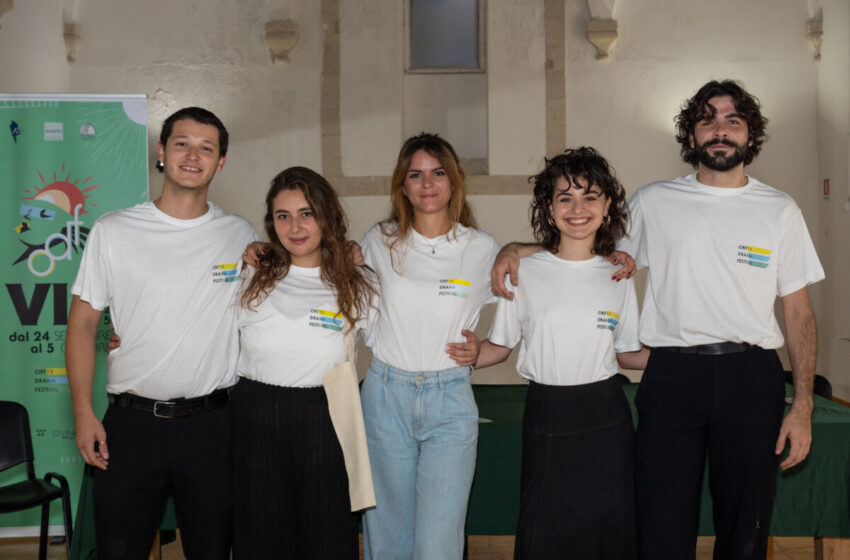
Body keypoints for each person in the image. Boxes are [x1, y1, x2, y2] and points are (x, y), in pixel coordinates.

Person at [492, 80, 824, 560]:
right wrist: (516, 249)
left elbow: (799, 312)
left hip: (751, 377)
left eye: (733, 120)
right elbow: (585, 245)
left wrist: (803, 405)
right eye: (707, 120)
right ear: (690, 136)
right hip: (672, 375)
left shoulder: (780, 210)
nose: (720, 130)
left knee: (746, 528)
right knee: (660, 527)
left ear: (750, 135)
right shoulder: (653, 201)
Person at [66, 107, 257, 559]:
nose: (193, 156)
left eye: (206, 148)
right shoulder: (113, 230)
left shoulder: (239, 234)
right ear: (161, 151)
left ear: (221, 162)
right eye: (182, 144)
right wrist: (83, 413)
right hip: (131, 426)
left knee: (212, 551)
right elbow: (83, 325)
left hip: (212, 426)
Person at [474, 147, 648, 559]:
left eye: (590, 197)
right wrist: (451, 355)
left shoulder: (619, 273)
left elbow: (629, 354)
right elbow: (499, 347)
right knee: (547, 527)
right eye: (565, 198)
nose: (578, 209)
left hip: (607, 416)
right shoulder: (522, 271)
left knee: (609, 529)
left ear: (607, 206)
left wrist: (686, 354)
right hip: (548, 412)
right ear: (549, 210)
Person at [358, 133, 500, 560]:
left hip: (449, 399)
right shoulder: (379, 241)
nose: (427, 184)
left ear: (454, 181)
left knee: (439, 542)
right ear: (402, 186)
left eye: (438, 173)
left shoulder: (482, 248)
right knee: (388, 536)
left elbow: (521, 315)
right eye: (415, 175)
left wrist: (485, 351)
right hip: (385, 396)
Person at [230, 166, 376, 559]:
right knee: (260, 534)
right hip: (254, 414)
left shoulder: (357, 283)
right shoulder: (249, 276)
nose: (294, 227)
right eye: (283, 215)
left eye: (306, 213)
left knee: (326, 534)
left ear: (327, 216)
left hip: (324, 416)